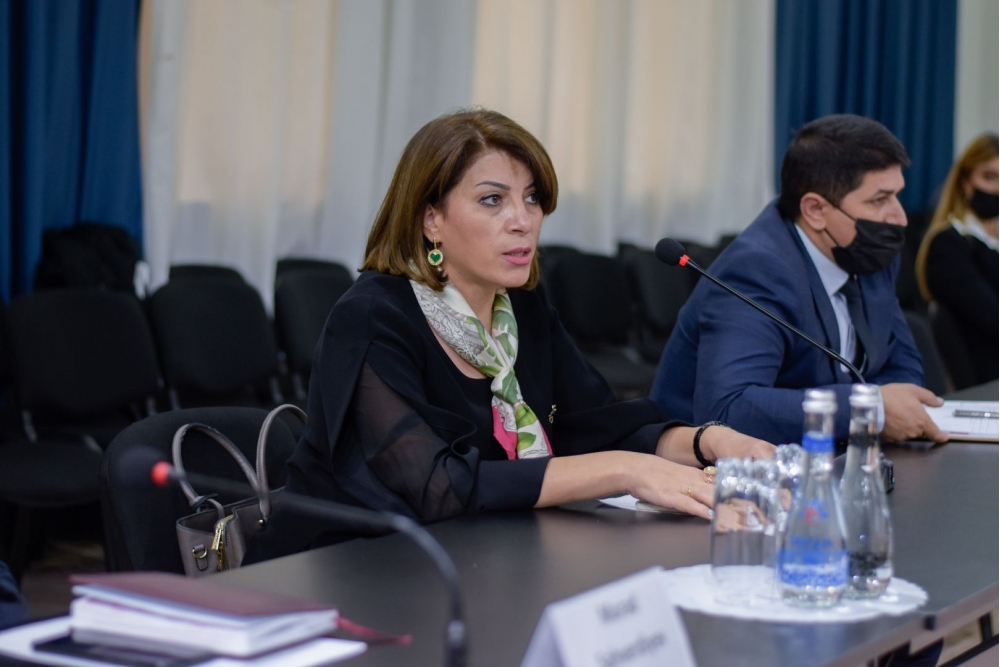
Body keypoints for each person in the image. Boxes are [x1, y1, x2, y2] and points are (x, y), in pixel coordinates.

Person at [252, 109, 772, 558]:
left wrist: (710, 441)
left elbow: (596, 426)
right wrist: (625, 471)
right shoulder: (372, 317)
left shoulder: (521, 305)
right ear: (431, 219)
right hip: (344, 569)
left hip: (480, 557)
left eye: (532, 198)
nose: (523, 220)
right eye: (492, 200)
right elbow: (437, 487)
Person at [650, 114, 947, 446]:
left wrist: (885, 409)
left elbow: (902, 370)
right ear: (815, 210)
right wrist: (867, 411)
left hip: (828, 455)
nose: (900, 217)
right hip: (706, 468)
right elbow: (728, 410)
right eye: (879, 200)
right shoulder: (757, 270)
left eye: (896, 196)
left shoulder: (868, 250)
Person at [915, 134, 998, 386]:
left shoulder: (991, 242)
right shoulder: (949, 244)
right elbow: (991, 317)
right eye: (990, 177)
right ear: (965, 182)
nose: (997, 188)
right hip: (985, 381)